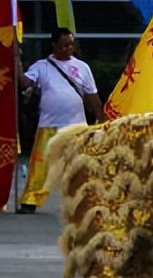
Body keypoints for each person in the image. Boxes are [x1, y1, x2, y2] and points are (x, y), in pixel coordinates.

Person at [16, 28, 103, 214]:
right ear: (54, 45)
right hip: (49, 125)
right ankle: (30, 200)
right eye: (64, 45)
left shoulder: (82, 67)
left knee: (81, 165)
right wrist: (16, 60)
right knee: (41, 165)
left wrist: (101, 119)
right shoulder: (42, 66)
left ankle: (85, 200)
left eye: (71, 44)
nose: (68, 48)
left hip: (77, 126)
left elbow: (92, 96)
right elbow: (24, 82)